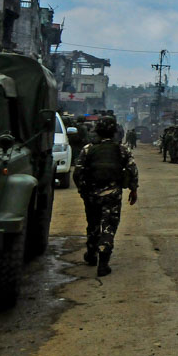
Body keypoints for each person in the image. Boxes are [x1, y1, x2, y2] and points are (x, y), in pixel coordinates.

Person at [74, 116, 138, 276]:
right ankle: (103, 263)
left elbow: (77, 172)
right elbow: (132, 170)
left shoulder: (88, 149)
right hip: (113, 195)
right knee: (109, 227)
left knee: (93, 224)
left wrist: (83, 191)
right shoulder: (122, 149)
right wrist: (133, 189)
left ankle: (91, 254)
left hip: (91, 194)